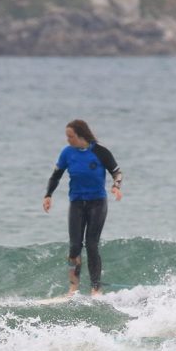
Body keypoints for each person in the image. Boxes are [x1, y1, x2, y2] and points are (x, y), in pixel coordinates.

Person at [42, 119, 124, 296]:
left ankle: (96, 288)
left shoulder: (100, 152)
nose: (68, 140)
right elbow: (56, 176)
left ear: (80, 135)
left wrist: (116, 186)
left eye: (70, 136)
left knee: (92, 244)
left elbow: (117, 172)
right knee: (74, 247)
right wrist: (48, 195)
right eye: (67, 136)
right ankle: (73, 287)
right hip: (77, 203)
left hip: (97, 203)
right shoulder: (67, 153)